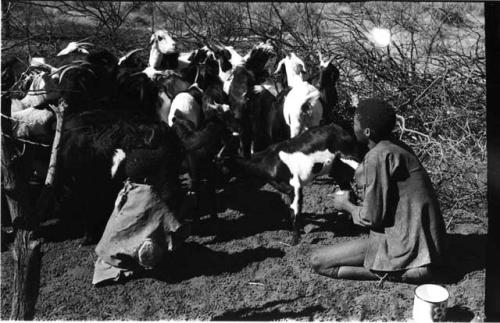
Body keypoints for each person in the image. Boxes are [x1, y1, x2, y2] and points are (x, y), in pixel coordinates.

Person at [310, 98, 446, 284]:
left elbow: (371, 218)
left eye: (355, 122)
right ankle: (411, 268)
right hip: (431, 244)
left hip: (407, 245)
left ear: (366, 132)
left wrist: (346, 205)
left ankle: (403, 273)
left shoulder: (377, 156)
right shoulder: (396, 147)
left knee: (318, 261)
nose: (353, 124)